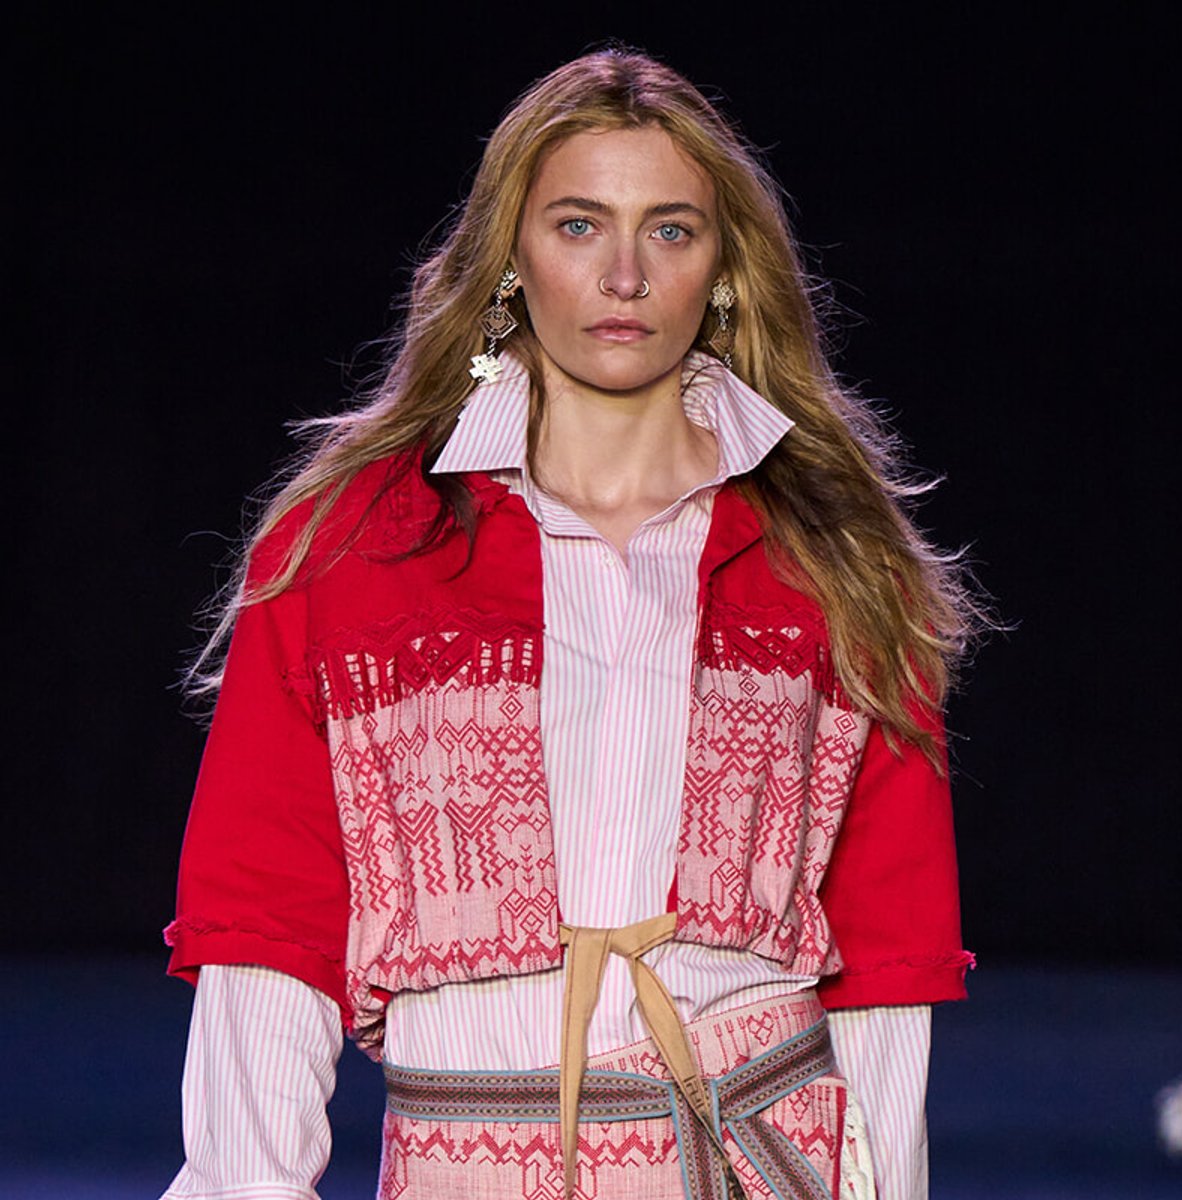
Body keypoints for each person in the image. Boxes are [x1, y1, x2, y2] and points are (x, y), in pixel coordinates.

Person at [162, 47, 979, 1200]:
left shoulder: (834, 564)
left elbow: (887, 960)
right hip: (464, 1163)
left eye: (671, 230)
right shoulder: (351, 553)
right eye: (581, 225)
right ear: (512, 257)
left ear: (723, 269)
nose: (625, 275)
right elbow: (265, 926)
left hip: (757, 1156)